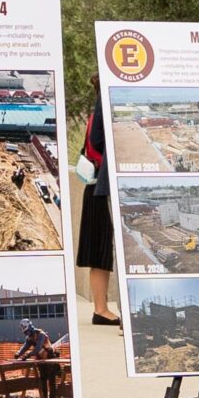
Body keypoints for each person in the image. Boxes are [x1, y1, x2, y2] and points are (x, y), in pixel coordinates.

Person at [76, 98, 119, 325]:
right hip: (101, 188)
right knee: (100, 249)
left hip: (96, 186)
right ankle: (101, 310)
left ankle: (101, 309)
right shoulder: (101, 109)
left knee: (100, 250)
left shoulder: (96, 111)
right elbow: (97, 142)